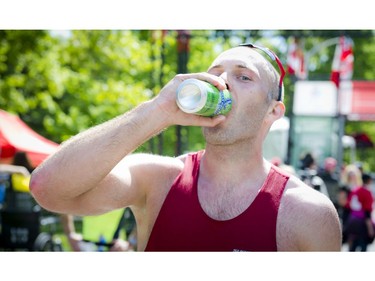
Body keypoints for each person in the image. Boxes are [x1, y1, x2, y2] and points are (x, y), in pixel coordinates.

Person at [30, 44, 342, 251]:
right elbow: (47, 189)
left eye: (243, 76)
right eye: (215, 74)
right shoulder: (158, 180)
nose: (222, 82)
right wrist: (157, 110)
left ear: (273, 111)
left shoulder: (307, 213)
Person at [61, 207, 137, 251]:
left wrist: (130, 243)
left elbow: (145, 211)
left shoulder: (126, 182)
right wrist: (69, 234)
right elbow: (64, 199)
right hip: (86, 247)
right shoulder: (86, 182)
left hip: (116, 248)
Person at [343, 173, 374, 251]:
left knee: (352, 246)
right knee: (363, 245)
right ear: (369, 181)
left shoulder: (354, 190)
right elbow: (367, 212)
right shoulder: (367, 192)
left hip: (352, 220)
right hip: (362, 223)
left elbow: (347, 206)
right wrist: (370, 228)